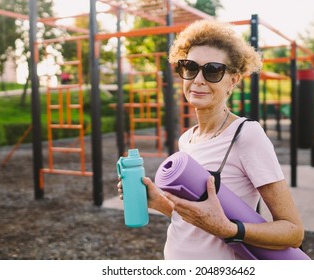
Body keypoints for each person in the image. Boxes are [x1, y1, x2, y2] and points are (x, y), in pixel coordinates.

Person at [118, 19, 304, 260]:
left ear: (234, 80)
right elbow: (195, 221)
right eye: (190, 67)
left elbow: (293, 232)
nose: (198, 80)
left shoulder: (246, 135)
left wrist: (229, 230)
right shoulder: (187, 139)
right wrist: (158, 202)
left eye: (213, 70)